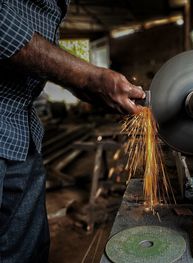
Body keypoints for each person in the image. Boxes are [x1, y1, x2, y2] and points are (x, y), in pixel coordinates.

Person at [0, 0, 145, 262]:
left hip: (22, 133)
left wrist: (85, 86)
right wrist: (88, 77)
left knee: (28, 253)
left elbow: (38, 59)